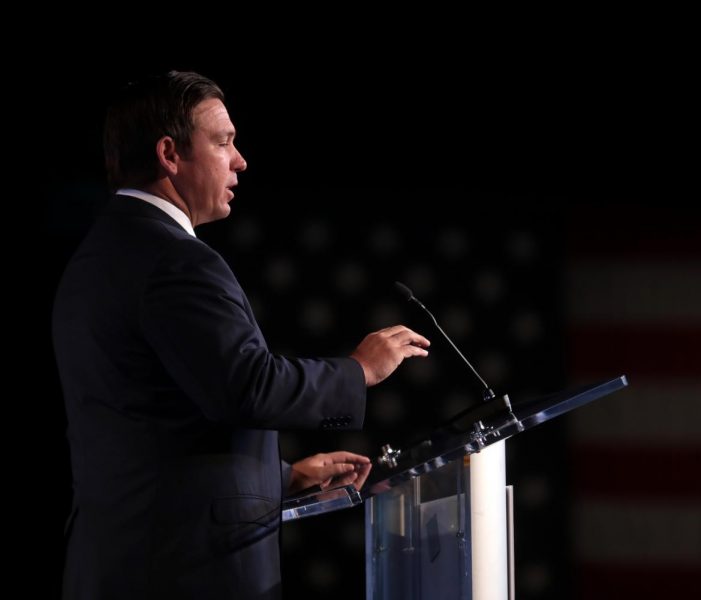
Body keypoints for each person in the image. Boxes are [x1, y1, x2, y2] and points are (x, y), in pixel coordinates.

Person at [52, 70, 431, 600]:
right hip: (183, 572)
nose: (240, 160)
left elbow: (145, 424)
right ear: (169, 153)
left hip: (125, 558)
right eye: (223, 142)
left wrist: (280, 478)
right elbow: (246, 386)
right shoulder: (174, 260)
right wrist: (359, 370)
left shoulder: (99, 256)